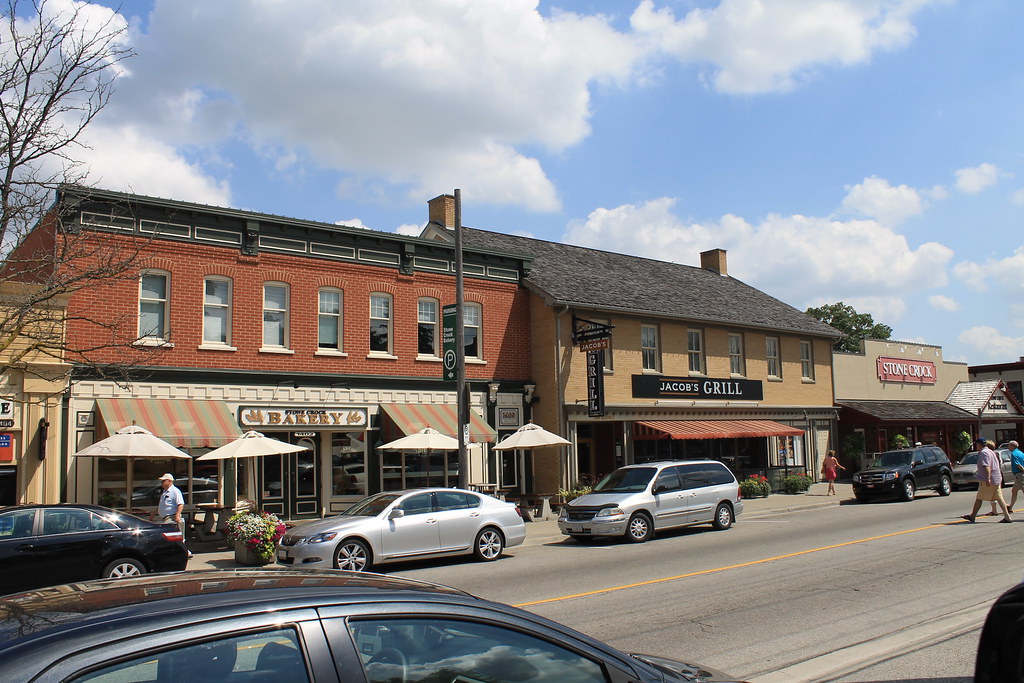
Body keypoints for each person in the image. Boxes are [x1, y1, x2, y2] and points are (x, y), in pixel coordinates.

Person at [962, 438, 1012, 523]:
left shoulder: (983, 453)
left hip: (988, 480)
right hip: (996, 478)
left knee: (979, 498)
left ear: (979, 444)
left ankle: (972, 516)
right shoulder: (991, 452)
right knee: (999, 498)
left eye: (976, 444)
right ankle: (1007, 517)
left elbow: (987, 466)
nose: (975, 446)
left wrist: (988, 478)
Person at [153, 473, 191, 558]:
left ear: (169, 481)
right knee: (171, 537)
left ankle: (185, 552)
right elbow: (162, 505)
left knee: (174, 536)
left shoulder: (175, 491)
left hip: (172, 517)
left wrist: (177, 516)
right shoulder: (165, 491)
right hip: (165, 518)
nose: (162, 483)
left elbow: (180, 504)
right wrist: (154, 512)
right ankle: (181, 552)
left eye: (163, 481)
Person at [1007, 440, 1024, 513]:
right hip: (1018, 475)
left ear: (1012, 446)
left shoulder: (1013, 454)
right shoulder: (1021, 453)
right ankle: (1010, 508)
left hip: (1019, 474)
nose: (1008, 447)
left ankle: (1010, 508)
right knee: (1014, 491)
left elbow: (1018, 464)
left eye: (1009, 445)